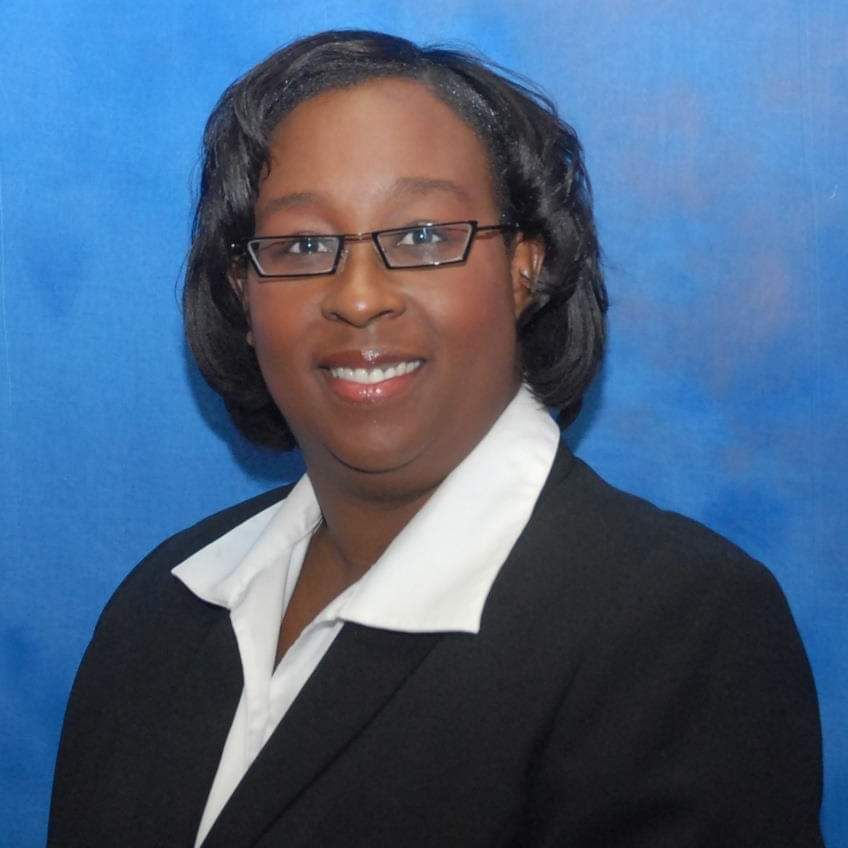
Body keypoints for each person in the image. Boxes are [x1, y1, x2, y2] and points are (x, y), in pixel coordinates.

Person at [48, 30, 823, 847]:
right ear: (243, 292)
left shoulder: (678, 630)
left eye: (422, 236)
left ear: (526, 266)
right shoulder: (162, 608)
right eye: (303, 244)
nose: (359, 297)